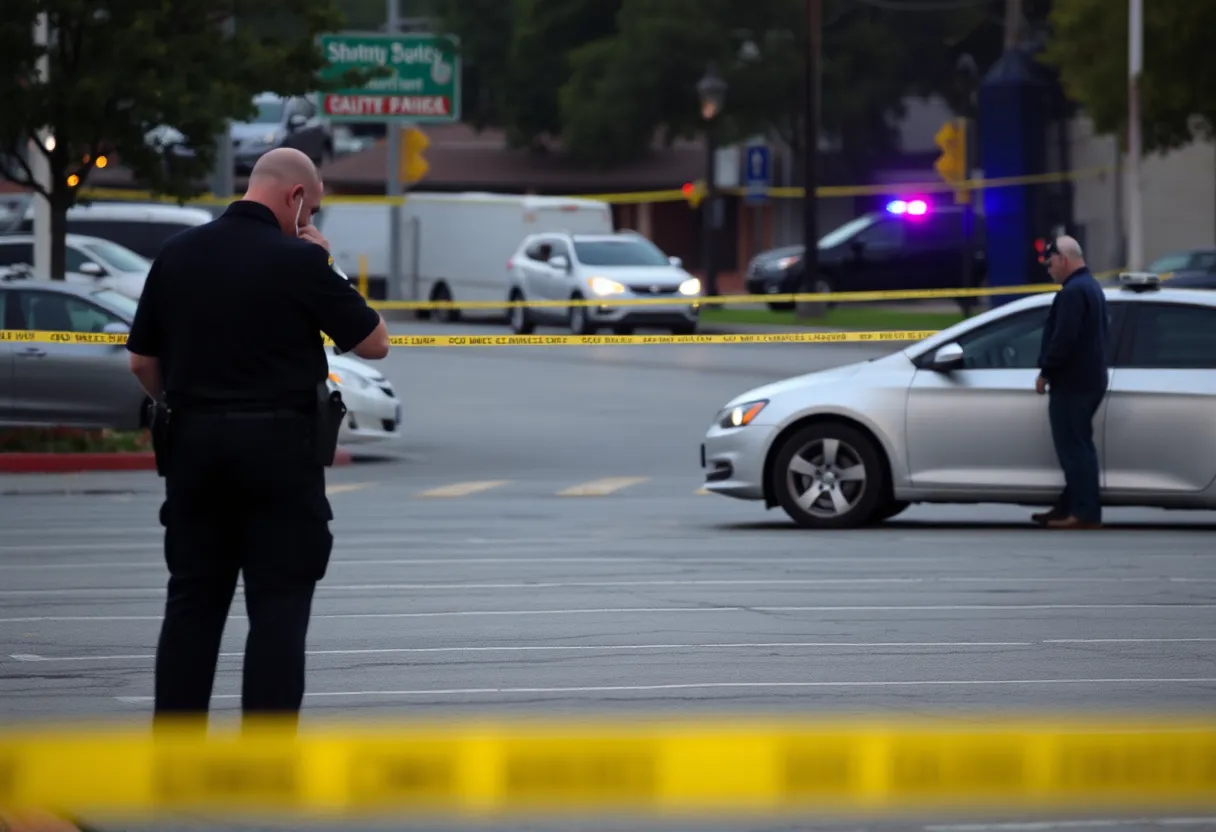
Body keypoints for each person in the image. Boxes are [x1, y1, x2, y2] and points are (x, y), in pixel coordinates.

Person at [125, 147, 390, 728]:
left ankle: (175, 761)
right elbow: (374, 342)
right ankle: (262, 770)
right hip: (280, 454)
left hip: (194, 450)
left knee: (193, 605)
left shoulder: (177, 254)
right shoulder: (298, 261)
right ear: (296, 198)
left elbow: (141, 362)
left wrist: (185, 402)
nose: (312, 222)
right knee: (278, 607)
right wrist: (325, 263)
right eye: (312, 210)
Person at [1032, 235, 1108, 529]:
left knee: (1074, 448)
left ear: (1063, 258)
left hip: (1073, 382)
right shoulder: (1089, 287)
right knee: (1078, 445)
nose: (1048, 269)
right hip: (1087, 379)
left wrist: (1045, 371)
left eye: (1050, 262)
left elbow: (1064, 338)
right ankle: (1067, 506)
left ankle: (1084, 512)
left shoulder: (1074, 292)